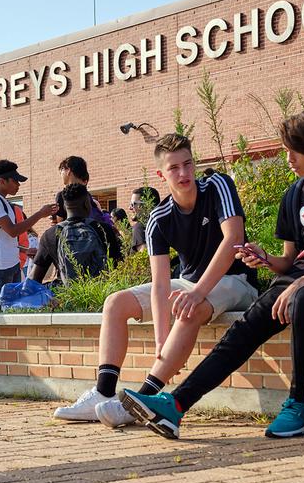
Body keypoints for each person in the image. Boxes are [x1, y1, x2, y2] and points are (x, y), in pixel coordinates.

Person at [120, 111, 304, 439]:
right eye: (286, 149)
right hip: (295, 281)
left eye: (295, 150)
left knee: (303, 302)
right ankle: (176, 405)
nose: (289, 158)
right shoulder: (294, 194)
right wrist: (266, 259)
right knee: (242, 331)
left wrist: (298, 282)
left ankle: (298, 404)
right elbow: (290, 259)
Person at [53, 134, 259, 425]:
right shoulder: (159, 218)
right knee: (115, 303)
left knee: (188, 306)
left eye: (188, 164)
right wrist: (162, 341)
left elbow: (234, 240)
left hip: (236, 280)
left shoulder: (217, 186)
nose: (184, 173)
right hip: (190, 283)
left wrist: (198, 292)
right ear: (162, 174)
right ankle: (103, 392)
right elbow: (161, 284)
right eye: (174, 168)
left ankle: (144, 398)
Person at [0, 160, 58, 312]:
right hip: (0, 265)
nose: (18, 184)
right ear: (2, 181)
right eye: (15, 180)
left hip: (12, 262)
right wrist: (39, 214)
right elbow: (12, 230)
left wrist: (24, 250)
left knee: (14, 305)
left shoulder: (4, 202)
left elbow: (6, 238)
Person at [29, 183, 123, 285]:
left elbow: (35, 278)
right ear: (87, 204)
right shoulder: (104, 229)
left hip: (66, 297)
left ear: (65, 207)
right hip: (101, 295)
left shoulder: (50, 235)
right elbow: (118, 267)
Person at [54, 156, 111, 224]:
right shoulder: (89, 197)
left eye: (62, 170)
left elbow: (59, 225)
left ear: (68, 170)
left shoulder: (63, 195)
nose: (61, 174)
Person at [129, 186, 161, 254]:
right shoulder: (165, 223)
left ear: (146, 205)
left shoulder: (139, 227)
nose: (130, 208)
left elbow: (145, 257)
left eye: (134, 204)